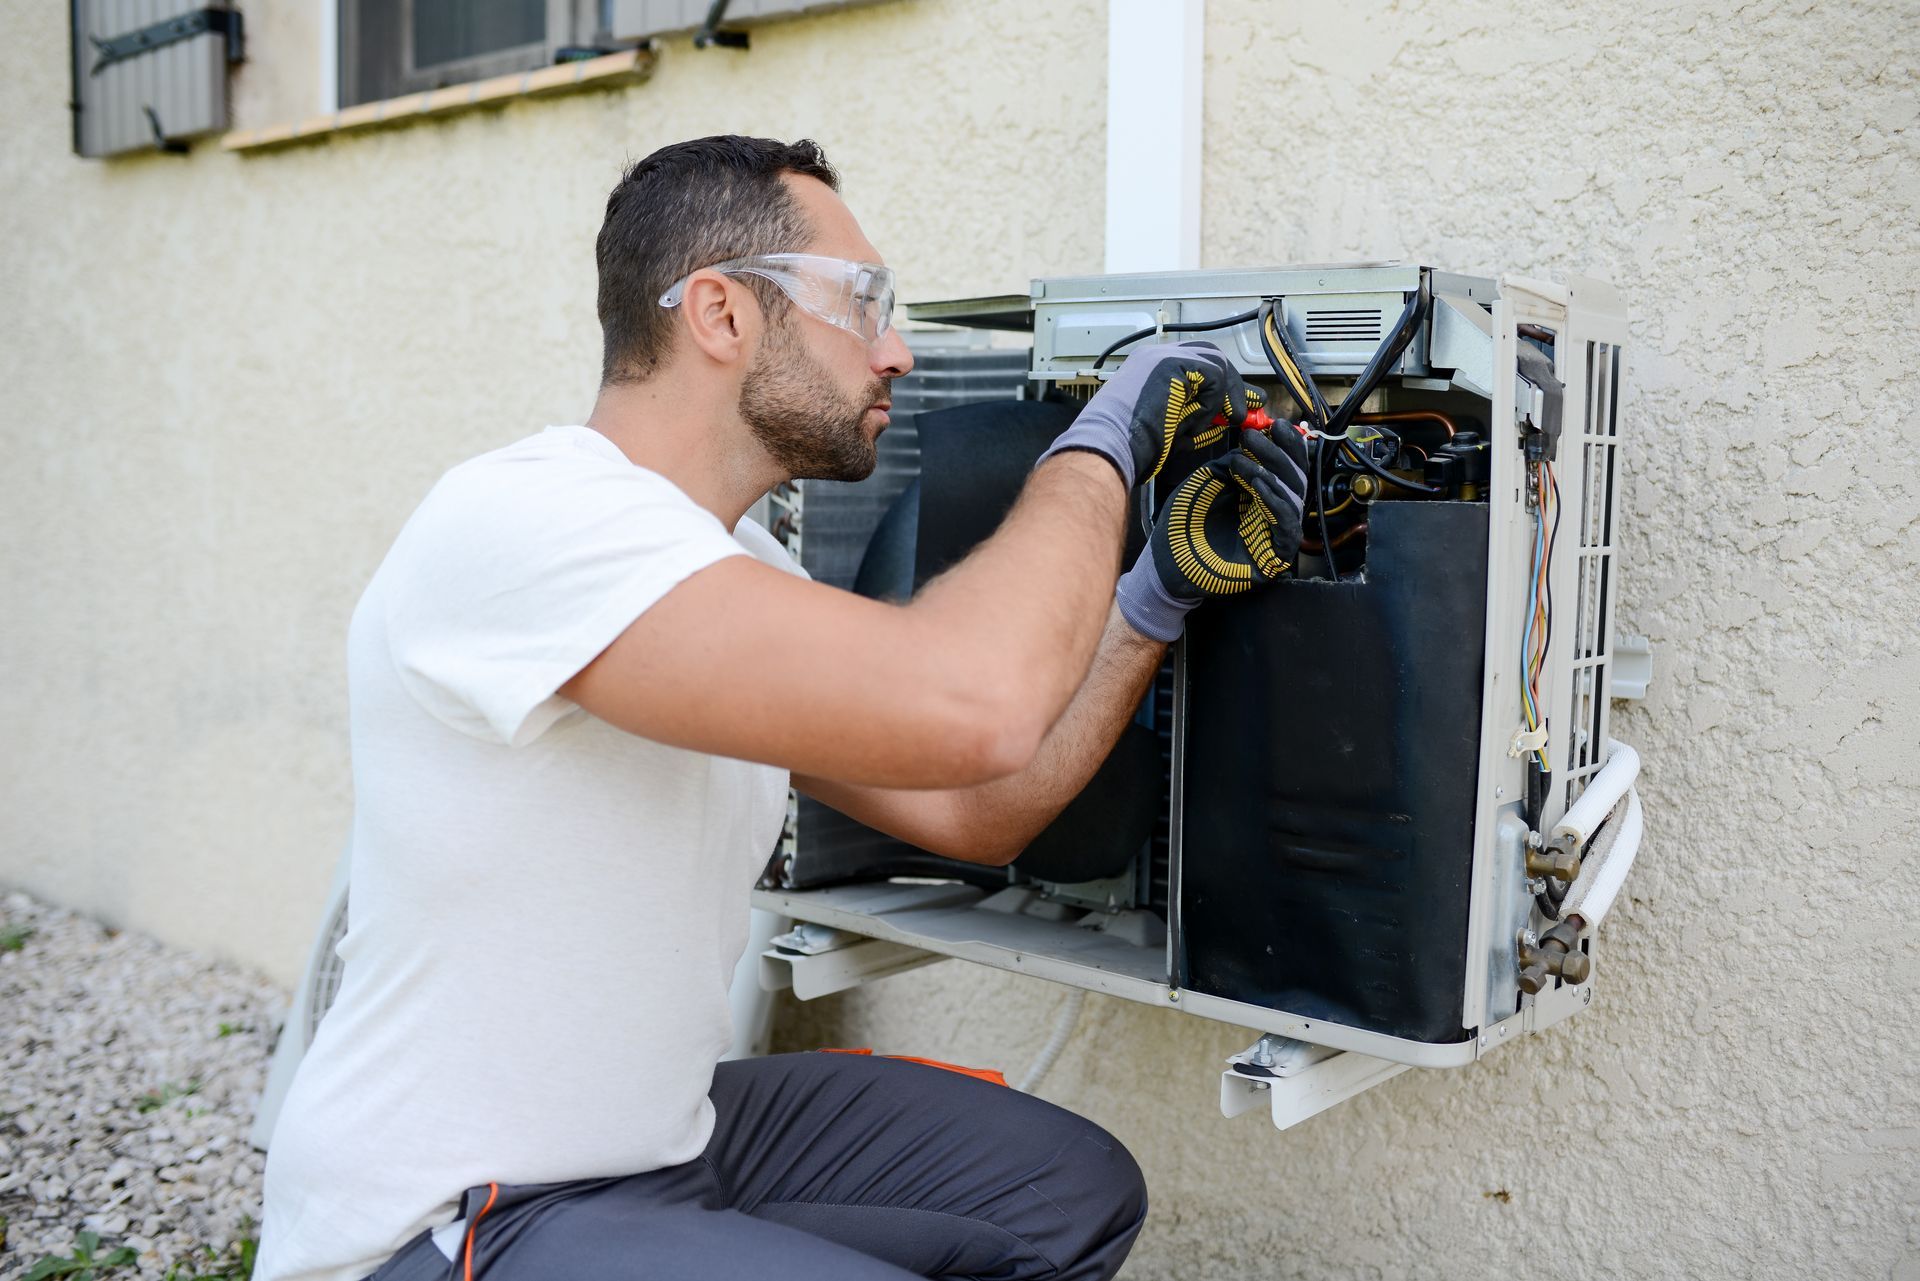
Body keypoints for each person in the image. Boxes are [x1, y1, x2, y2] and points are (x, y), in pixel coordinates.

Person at [254, 135, 1307, 1281]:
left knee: (1067, 1198)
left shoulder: (736, 563)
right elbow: (977, 703)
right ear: (720, 315)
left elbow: (981, 805)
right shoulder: (529, 523)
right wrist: (1109, 437)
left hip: (663, 1148)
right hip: (455, 1212)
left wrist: (1151, 601)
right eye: (863, 303)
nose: (896, 350)